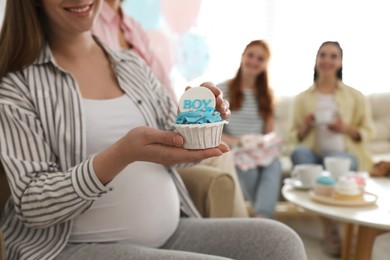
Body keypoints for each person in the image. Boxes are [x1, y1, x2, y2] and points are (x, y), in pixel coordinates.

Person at [0, 1, 307, 260]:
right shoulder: (16, 87)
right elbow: (32, 205)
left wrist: (200, 126)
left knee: (282, 243)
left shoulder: (131, 64)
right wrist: (121, 154)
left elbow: (174, 150)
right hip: (71, 246)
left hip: (170, 231)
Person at [93, 0, 249, 218]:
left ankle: (240, 225)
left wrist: (188, 114)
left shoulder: (132, 26)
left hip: (161, 127)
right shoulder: (88, 23)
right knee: (221, 156)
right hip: (131, 140)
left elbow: (162, 86)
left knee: (220, 153)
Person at [289, 41, 375, 256]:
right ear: (316, 60)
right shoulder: (302, 98)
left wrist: (345, 127)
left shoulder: (356, 97)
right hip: (313, 155)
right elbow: (293, 136)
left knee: (340, 160)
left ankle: (340, 226)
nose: (327, 60)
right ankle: (330, 227)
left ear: (340, 62)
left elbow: (368, 131)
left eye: (333, 56)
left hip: (343, 155)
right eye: (323, 55)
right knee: (299, 154)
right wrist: (307, 125)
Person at [217, 40, 282, 219]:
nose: (254, 61)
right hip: (236, 149)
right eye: (250, 55)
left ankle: (261, 218)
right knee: (249, 168)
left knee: (274, 164)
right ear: (242, 57)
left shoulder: (267, 95)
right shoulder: (222, 90)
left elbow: (269, 133)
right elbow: (215, 131)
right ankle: (264, 218)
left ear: (265, 64)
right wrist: (238, 142)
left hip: (259, 150)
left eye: (260, 58)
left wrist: (262, 143)